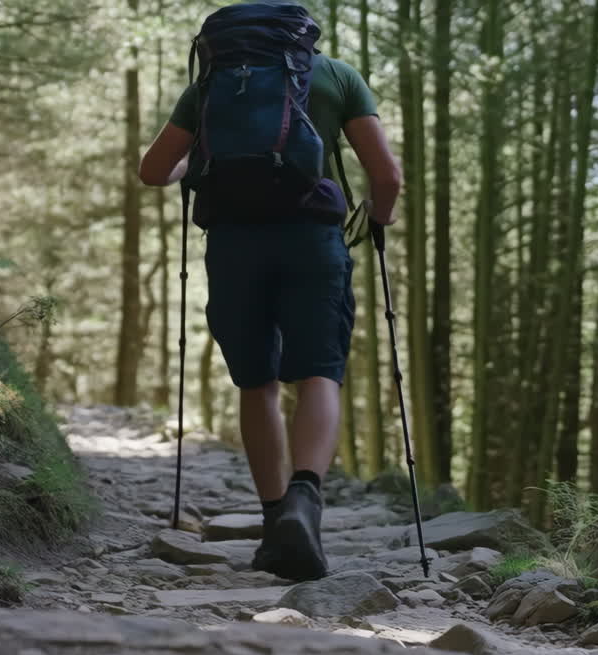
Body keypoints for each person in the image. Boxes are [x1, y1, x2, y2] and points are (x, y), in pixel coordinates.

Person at [138, 1, 402, 581]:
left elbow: (154, 170)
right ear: (302, 39)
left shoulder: (209, 86)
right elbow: (387, 176)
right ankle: (305, 503)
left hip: (233, 242)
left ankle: (273, 517)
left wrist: (193, 172)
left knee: (255, 380)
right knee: (319, 371)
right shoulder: (333, 76)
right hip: (313, 238)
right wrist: (376, 221)